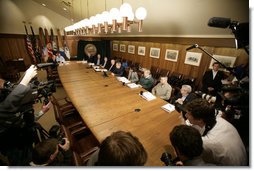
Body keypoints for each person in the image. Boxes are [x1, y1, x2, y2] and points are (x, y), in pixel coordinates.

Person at [0, 65, 52, 165]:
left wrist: (42, 112)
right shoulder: (6, 106)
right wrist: (26, 78)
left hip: (23, 135)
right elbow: (7, 107)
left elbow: (24, 119)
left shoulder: (5, 98)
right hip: (13, 146)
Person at [185, 98, 247, 165]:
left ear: (200, 119)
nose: (186, 115)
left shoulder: (207, 142)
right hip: (243, 161)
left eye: (188, 114)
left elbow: (202, 158)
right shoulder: (220, 120)